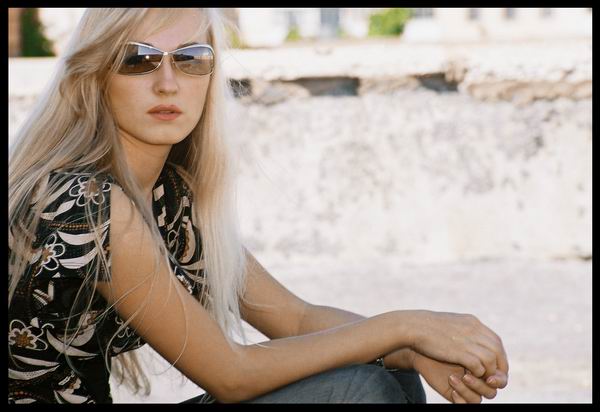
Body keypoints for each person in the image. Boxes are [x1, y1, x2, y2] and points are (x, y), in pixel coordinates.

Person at [8, 8, 509, 404]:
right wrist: (405, 326)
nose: (168, 83)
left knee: (388, 370)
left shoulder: (169, 198)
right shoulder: (82, 203)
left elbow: (295, 318)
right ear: (96, 74)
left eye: (191, 58)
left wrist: (411, 350)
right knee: (362, 386)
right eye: (138, 60)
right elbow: (230, 374)